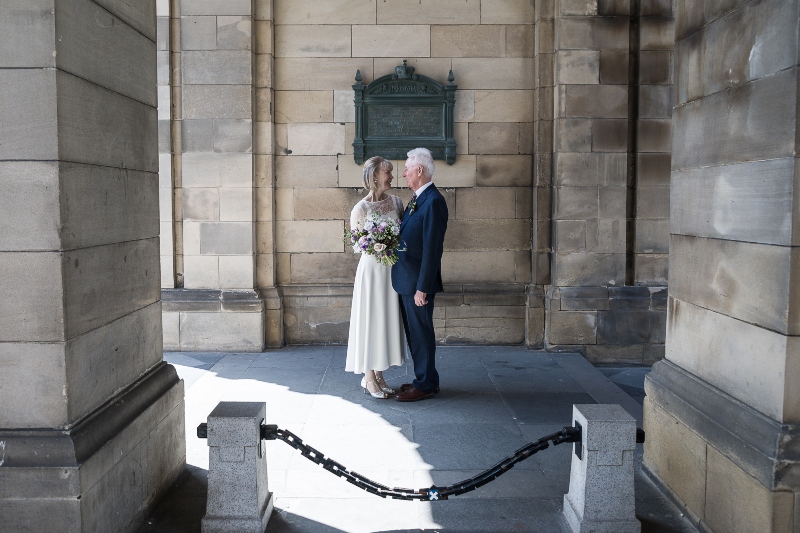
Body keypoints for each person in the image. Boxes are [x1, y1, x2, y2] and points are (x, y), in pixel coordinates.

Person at [345, 156, 407, 399]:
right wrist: (375, 243)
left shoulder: (397, 202)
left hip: (391, 269)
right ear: (374, 177)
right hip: (371, 271)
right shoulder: (360, 209)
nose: (392, 177)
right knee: (370, 320)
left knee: (385, 320)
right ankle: (368, 377)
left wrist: (391, 243)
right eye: (388, 173)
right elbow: (356, 244)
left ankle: (380, 374)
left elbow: (403, 232)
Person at [392, 148, 448, 402]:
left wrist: (422, 288)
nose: (403, 173)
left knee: (420, 333)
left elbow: (432, 249)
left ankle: (423, 384)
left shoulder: (434, 201)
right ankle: (429, 379)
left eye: (406, 168)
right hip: (408, 280)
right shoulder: (418, 198)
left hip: (417, 283)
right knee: (417, 333)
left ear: (420, 170)